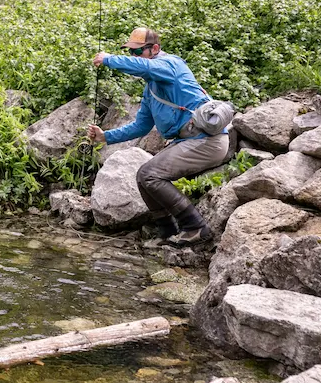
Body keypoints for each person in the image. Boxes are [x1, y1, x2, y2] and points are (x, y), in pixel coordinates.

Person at [87, 27, 229, 247]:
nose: (134, 56)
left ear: (154, 49)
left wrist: (109, 59)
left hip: (207, 140)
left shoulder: (170, 64)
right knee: (143, 176)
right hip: (189, 141)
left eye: (137, 51)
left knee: (150, 174)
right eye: (130, 52)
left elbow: (146, 66)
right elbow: (141, 126)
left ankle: (195, 227)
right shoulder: (151, 89)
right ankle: (166, 233)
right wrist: (105, 137)